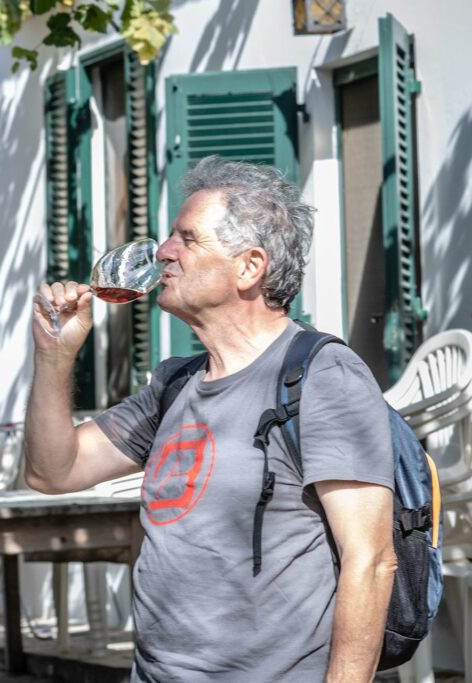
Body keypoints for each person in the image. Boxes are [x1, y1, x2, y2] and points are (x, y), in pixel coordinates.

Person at [24, 156, 397, 681]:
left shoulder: (322, 376)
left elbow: (372, 561)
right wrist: (55, 357)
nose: (164, 253)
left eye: (187, 238)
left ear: (250, 266)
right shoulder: (174, 385)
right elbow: (52, 472)